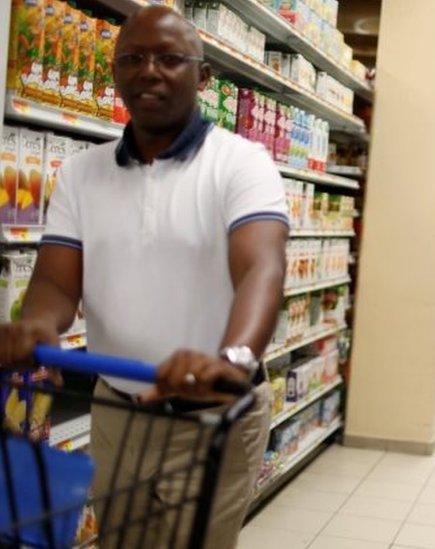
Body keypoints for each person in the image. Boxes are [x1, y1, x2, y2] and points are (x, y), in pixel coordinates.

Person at [0, 6, 288, 548]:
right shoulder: (82, 174)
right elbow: (58, 284)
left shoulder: (242, 163)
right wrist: (38, 324)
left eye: (169, 59)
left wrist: (233, 360)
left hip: (213, 419)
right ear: (114, 74)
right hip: (118, 410)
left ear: (202, 77)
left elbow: (261, 268)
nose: (148, 71)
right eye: (131, 58)